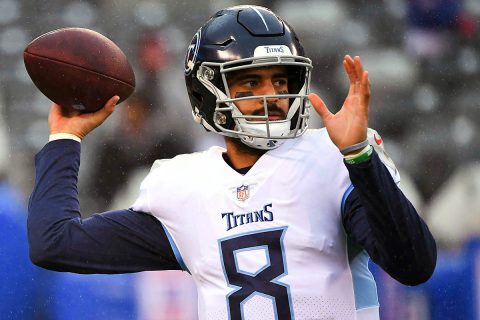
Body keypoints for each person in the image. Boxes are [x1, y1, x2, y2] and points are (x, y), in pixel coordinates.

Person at [28, 5, 436, 320]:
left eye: (281, 81)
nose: (272, 96)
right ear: (207, 92)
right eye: (250, 81)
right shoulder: (184, 188)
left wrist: (360, 158)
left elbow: (413, 265)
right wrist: (65, 137)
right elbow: (56, 243)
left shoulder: (332, 161)